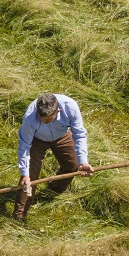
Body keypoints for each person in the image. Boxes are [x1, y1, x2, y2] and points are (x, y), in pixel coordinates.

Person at [14, 93, 93, 221]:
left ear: (58, 111)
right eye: (42, 119)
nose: (44, 122)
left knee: (71, 166)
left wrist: (83, 161)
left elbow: (79, 135)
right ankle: (19, 215)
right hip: (37, 139)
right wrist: (25, 173)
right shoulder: (30, 118)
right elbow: (24, 146)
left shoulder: (71, 107)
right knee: (30, 177)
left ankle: (55, 189)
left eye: (48, 120)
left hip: (62, 136)